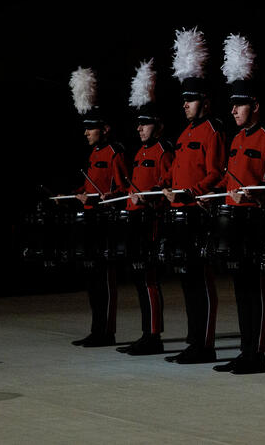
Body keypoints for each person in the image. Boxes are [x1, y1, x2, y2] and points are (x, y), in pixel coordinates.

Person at [213, 34, 265, 375]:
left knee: (256, 287)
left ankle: (259, 352)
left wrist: (255, 192)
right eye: (232, 105)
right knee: (239, 288)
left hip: (254, 220)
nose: (233, 110)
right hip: (234, 219)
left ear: (254, 106)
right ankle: (245, 349)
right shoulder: (235, 139)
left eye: (239, 105)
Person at [162, 28, 226, 365]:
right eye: (184, 100)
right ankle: (192, 341)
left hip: (198, 212)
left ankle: (206, 344)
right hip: (179, 211)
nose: (185, 105)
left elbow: (217, 171)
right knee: (186, 280)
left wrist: (194, 191)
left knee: (200, 279)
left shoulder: (213, 130)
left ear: (205, 102)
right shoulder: (184, 133)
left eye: (191, 100)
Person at [69, 67, 128, 347]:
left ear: (103, 129)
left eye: (89, 129)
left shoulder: (115, 153)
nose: (86, 133)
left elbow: (122, 188)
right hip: (91, 218)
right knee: (92, 279)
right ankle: (95, 330)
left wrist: (106, 196)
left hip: (106, 221)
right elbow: (90, 186)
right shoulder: (94, 154)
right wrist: (79, 194)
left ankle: (107, 331)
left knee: (105, 279)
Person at [117, 59, 171, 356]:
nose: (139, 128)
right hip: (137, 219)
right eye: (138, 124)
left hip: (152, 220)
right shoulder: (140, 152)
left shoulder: (163, 150)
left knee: (149, 279)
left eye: (145, 123)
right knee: (139, 279)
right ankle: (145, 332)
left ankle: (154, 335)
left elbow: (166, 183)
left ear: (158, 126)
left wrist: (147, 196)